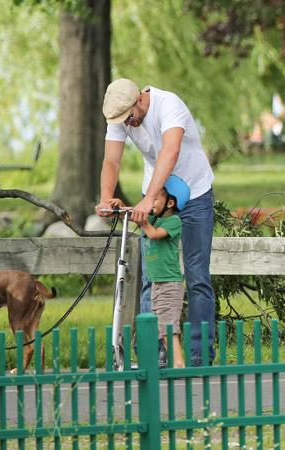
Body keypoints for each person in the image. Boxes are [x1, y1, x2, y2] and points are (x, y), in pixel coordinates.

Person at [96, 78, 216, 367]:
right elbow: (112, 161)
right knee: (152, 276)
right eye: (122, 121)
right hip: (158, 196)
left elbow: (170, 152)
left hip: (194, 192)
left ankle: (199, 356)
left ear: (139, 99)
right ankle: (155, 355)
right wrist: (106, 198)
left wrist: (148, 198)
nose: (128, 124)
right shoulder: (120, 115)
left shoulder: (168, 105)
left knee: (197, 275)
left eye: (130, 117)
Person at [112, 176, 189, 368]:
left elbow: (153, 233)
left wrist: (142, 219)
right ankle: (174, 361)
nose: (150, 202)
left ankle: (179, 363)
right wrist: (121, 207)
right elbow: (133, 214)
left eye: (155, 198)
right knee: (160, 326)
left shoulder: (173, 222)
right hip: (157, 282)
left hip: (170, 283)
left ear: (170, 203)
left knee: (168, 327)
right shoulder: (154, 218)